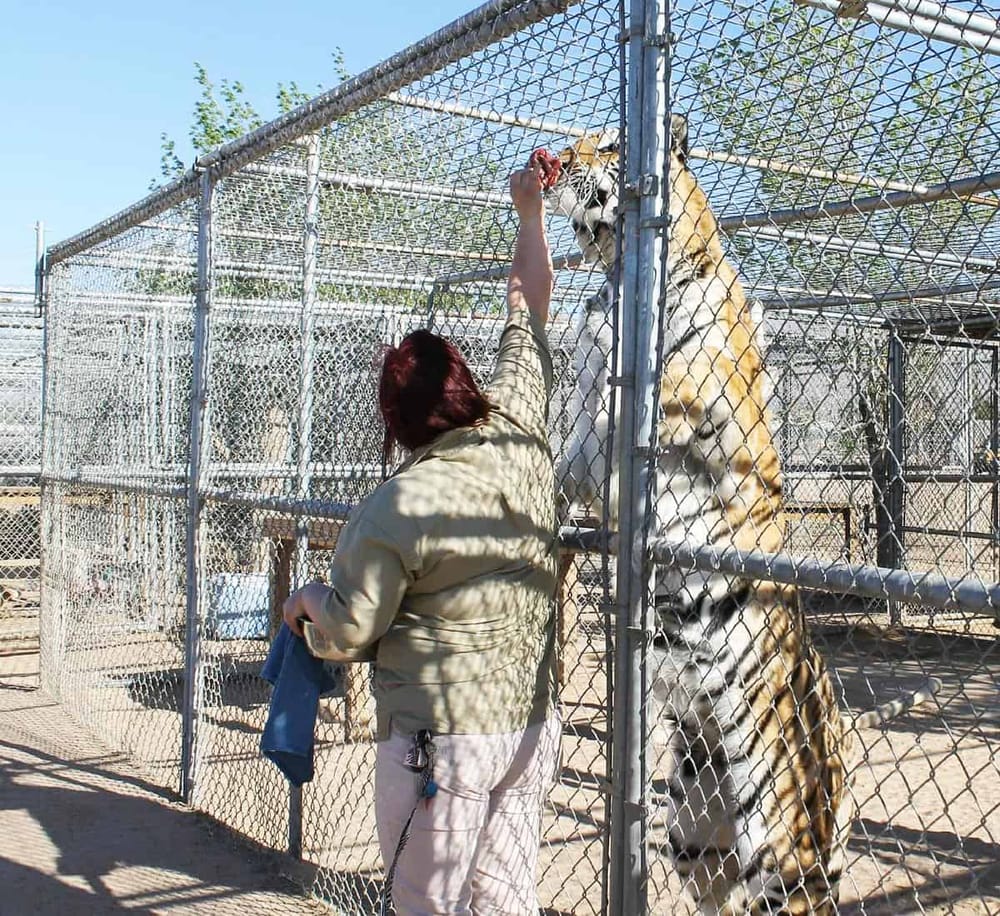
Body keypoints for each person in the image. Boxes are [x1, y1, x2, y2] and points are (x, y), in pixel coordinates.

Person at [282, 162, 560, 915]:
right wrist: (529, 213)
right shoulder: (520, 426)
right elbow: (527, 302)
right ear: (467, 383)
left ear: (397, 426)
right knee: (505, 901)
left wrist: (307, 600)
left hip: (440, 738)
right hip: (528, 723)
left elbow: (346, 631)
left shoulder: (396, 504)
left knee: (424, 905)